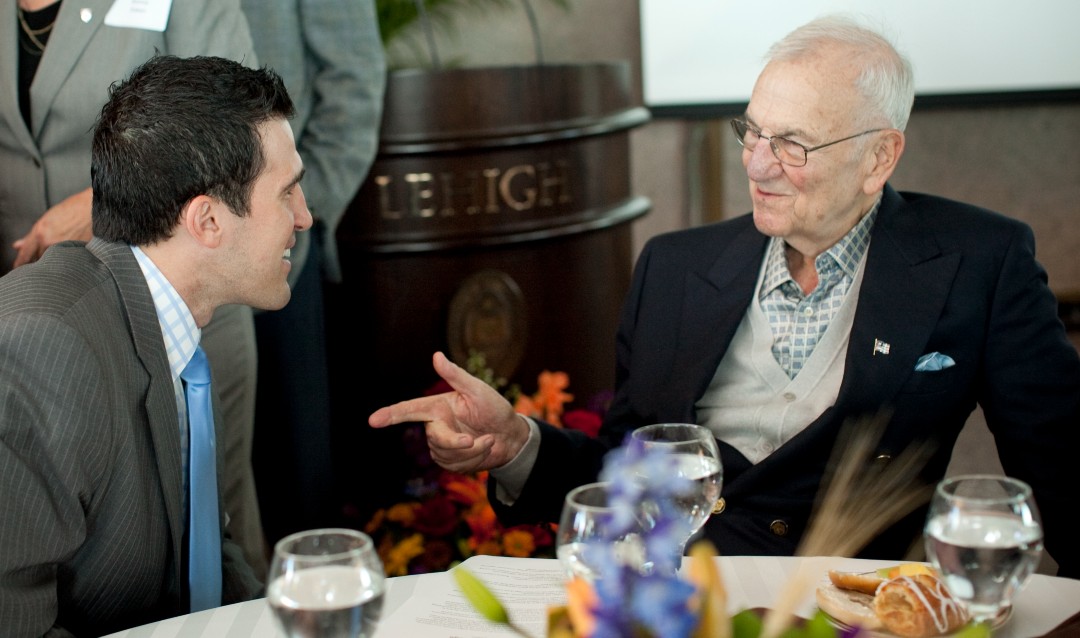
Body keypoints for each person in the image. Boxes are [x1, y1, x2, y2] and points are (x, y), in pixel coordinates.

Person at [369, 15, 1080, 577]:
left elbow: (1065, 468)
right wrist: (515, 441)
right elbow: (626, 481)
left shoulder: (978, 262)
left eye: (792, 144)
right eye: (752, 132)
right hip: (683, 607)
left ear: (879, 157)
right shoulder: (674, 269)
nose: (757, 165)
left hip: (855, 614)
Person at [0, 54, 311, 635]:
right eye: (288, 193)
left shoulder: (170, 323)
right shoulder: (39, 351)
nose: (305, 217)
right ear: (207, 221)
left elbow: (204, 550)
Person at [240, 0, 386, 562]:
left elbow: (354, 84)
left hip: (284, 253)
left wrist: (298, 208)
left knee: (294, 492)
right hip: (167, 250)